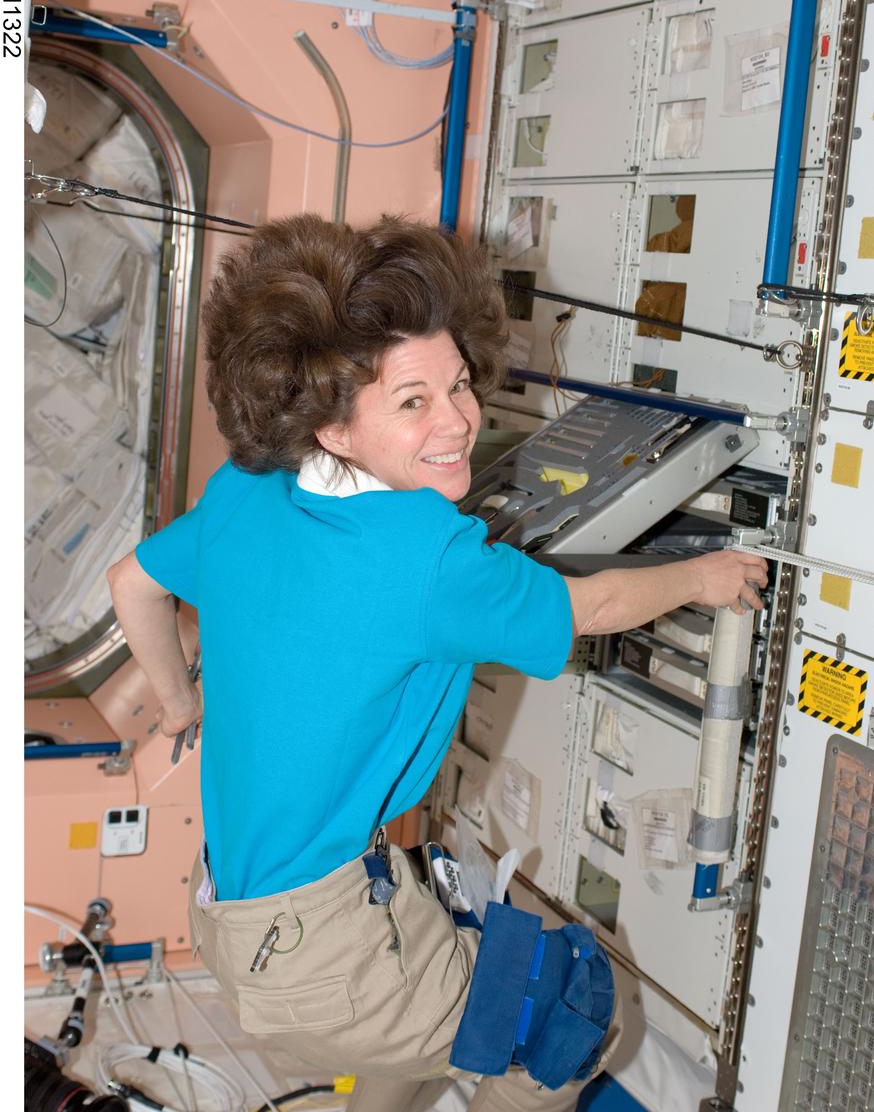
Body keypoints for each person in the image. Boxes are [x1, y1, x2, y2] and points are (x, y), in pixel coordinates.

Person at [108, 215, 768, 1112]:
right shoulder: (428, 554)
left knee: (418, 1003)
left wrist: (184, 707)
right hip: (318, 955)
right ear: (334, 428)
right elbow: (599, 606)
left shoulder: (248, 492)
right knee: (568, 1019)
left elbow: (131, 584)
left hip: (229, 916)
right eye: (412, 402)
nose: (458, 420)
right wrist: (709, 573)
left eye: (459, 385)